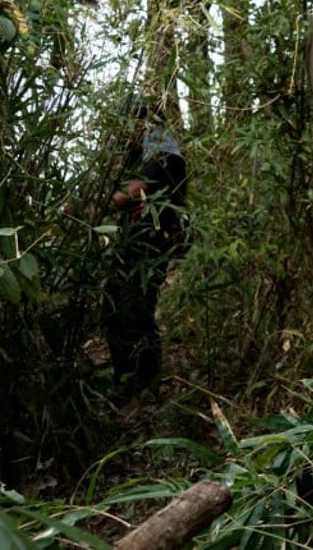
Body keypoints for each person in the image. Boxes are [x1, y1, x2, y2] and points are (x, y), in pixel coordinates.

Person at [98, 97, 189, 401]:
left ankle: (145, 387)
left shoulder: (158, 139)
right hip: (134, 241)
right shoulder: (135, 150)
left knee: (138, 308)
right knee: (114, 306)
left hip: (153, 240)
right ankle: (124, 381)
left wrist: (96, 208)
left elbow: (140, 187)